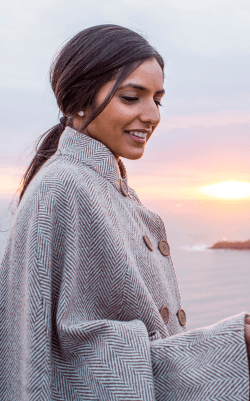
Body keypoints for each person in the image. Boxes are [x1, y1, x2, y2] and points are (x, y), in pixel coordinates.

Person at [0, 24, 249, 401]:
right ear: (79, 100)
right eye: (132, 97)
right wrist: (233, 345)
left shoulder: (102, 185)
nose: (152, 116)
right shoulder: (63, 187)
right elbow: (55, 366)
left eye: (158, 99)